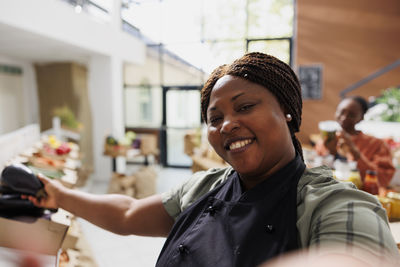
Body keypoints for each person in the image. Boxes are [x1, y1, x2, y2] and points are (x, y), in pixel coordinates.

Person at [25, 53, 399, 266]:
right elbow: (127, 213)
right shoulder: (207, 186)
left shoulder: (332, 203)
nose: (227, 125)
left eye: (246, 107)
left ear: (286, 110)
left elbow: (354, 258)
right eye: (215, 118)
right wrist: (58, 195)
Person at [315, 96, 395, 187]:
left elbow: (383, 178)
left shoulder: (377, 144)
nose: (344, 117)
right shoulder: (324, 141)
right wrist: (331, 152)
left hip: (361, 197)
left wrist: (354, 151)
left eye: (351, 115)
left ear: (361, 118)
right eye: (341, 112)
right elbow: (316, 171)